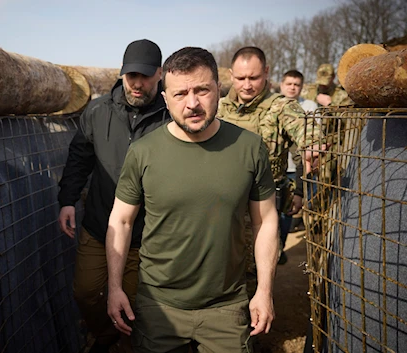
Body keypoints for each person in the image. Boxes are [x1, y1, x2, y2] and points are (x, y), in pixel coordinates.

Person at [106, 47, 279, 353]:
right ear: (165, 99)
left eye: (202, 90)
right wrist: (115, 286)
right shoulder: (143, 152)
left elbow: (265, 220)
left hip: (226, 306)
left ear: (219, 90)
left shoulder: (250, 148)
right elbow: (120, 221)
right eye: (180, 93)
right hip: (158, 306)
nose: (192, 103)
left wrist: (264, 291)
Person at [57, 39, 168, 352]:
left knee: (134, 304)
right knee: (85, 293)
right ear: (122, 74)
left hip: (144, 234)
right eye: (131, 75)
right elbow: (79, 158)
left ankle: (129, 342)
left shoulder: (169, 118)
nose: (137, 83)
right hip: (99, 223)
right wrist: (67, 199)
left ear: (159, 74)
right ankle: (104, 334)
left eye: (145, 76)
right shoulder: (97, 112)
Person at [217, 47, 322, 268]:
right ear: (230, 74)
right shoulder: (220, 108)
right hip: (224, 205)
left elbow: (304, 127)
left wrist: (313, 144)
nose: (247, 85)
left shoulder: (281, 106)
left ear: (266, 72)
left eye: (253, 77)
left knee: (258, 269)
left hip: (263, 206)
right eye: (240, 78)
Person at [279, 69, 316, 233]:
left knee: (289, 209)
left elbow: (313, 140)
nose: (292, 88)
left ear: (301, 87)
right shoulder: (272, 106)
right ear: (281, 85)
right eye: (289, 84)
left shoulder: (309, 107)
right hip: (276, 169)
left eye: (296, 84)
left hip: (297, 168)